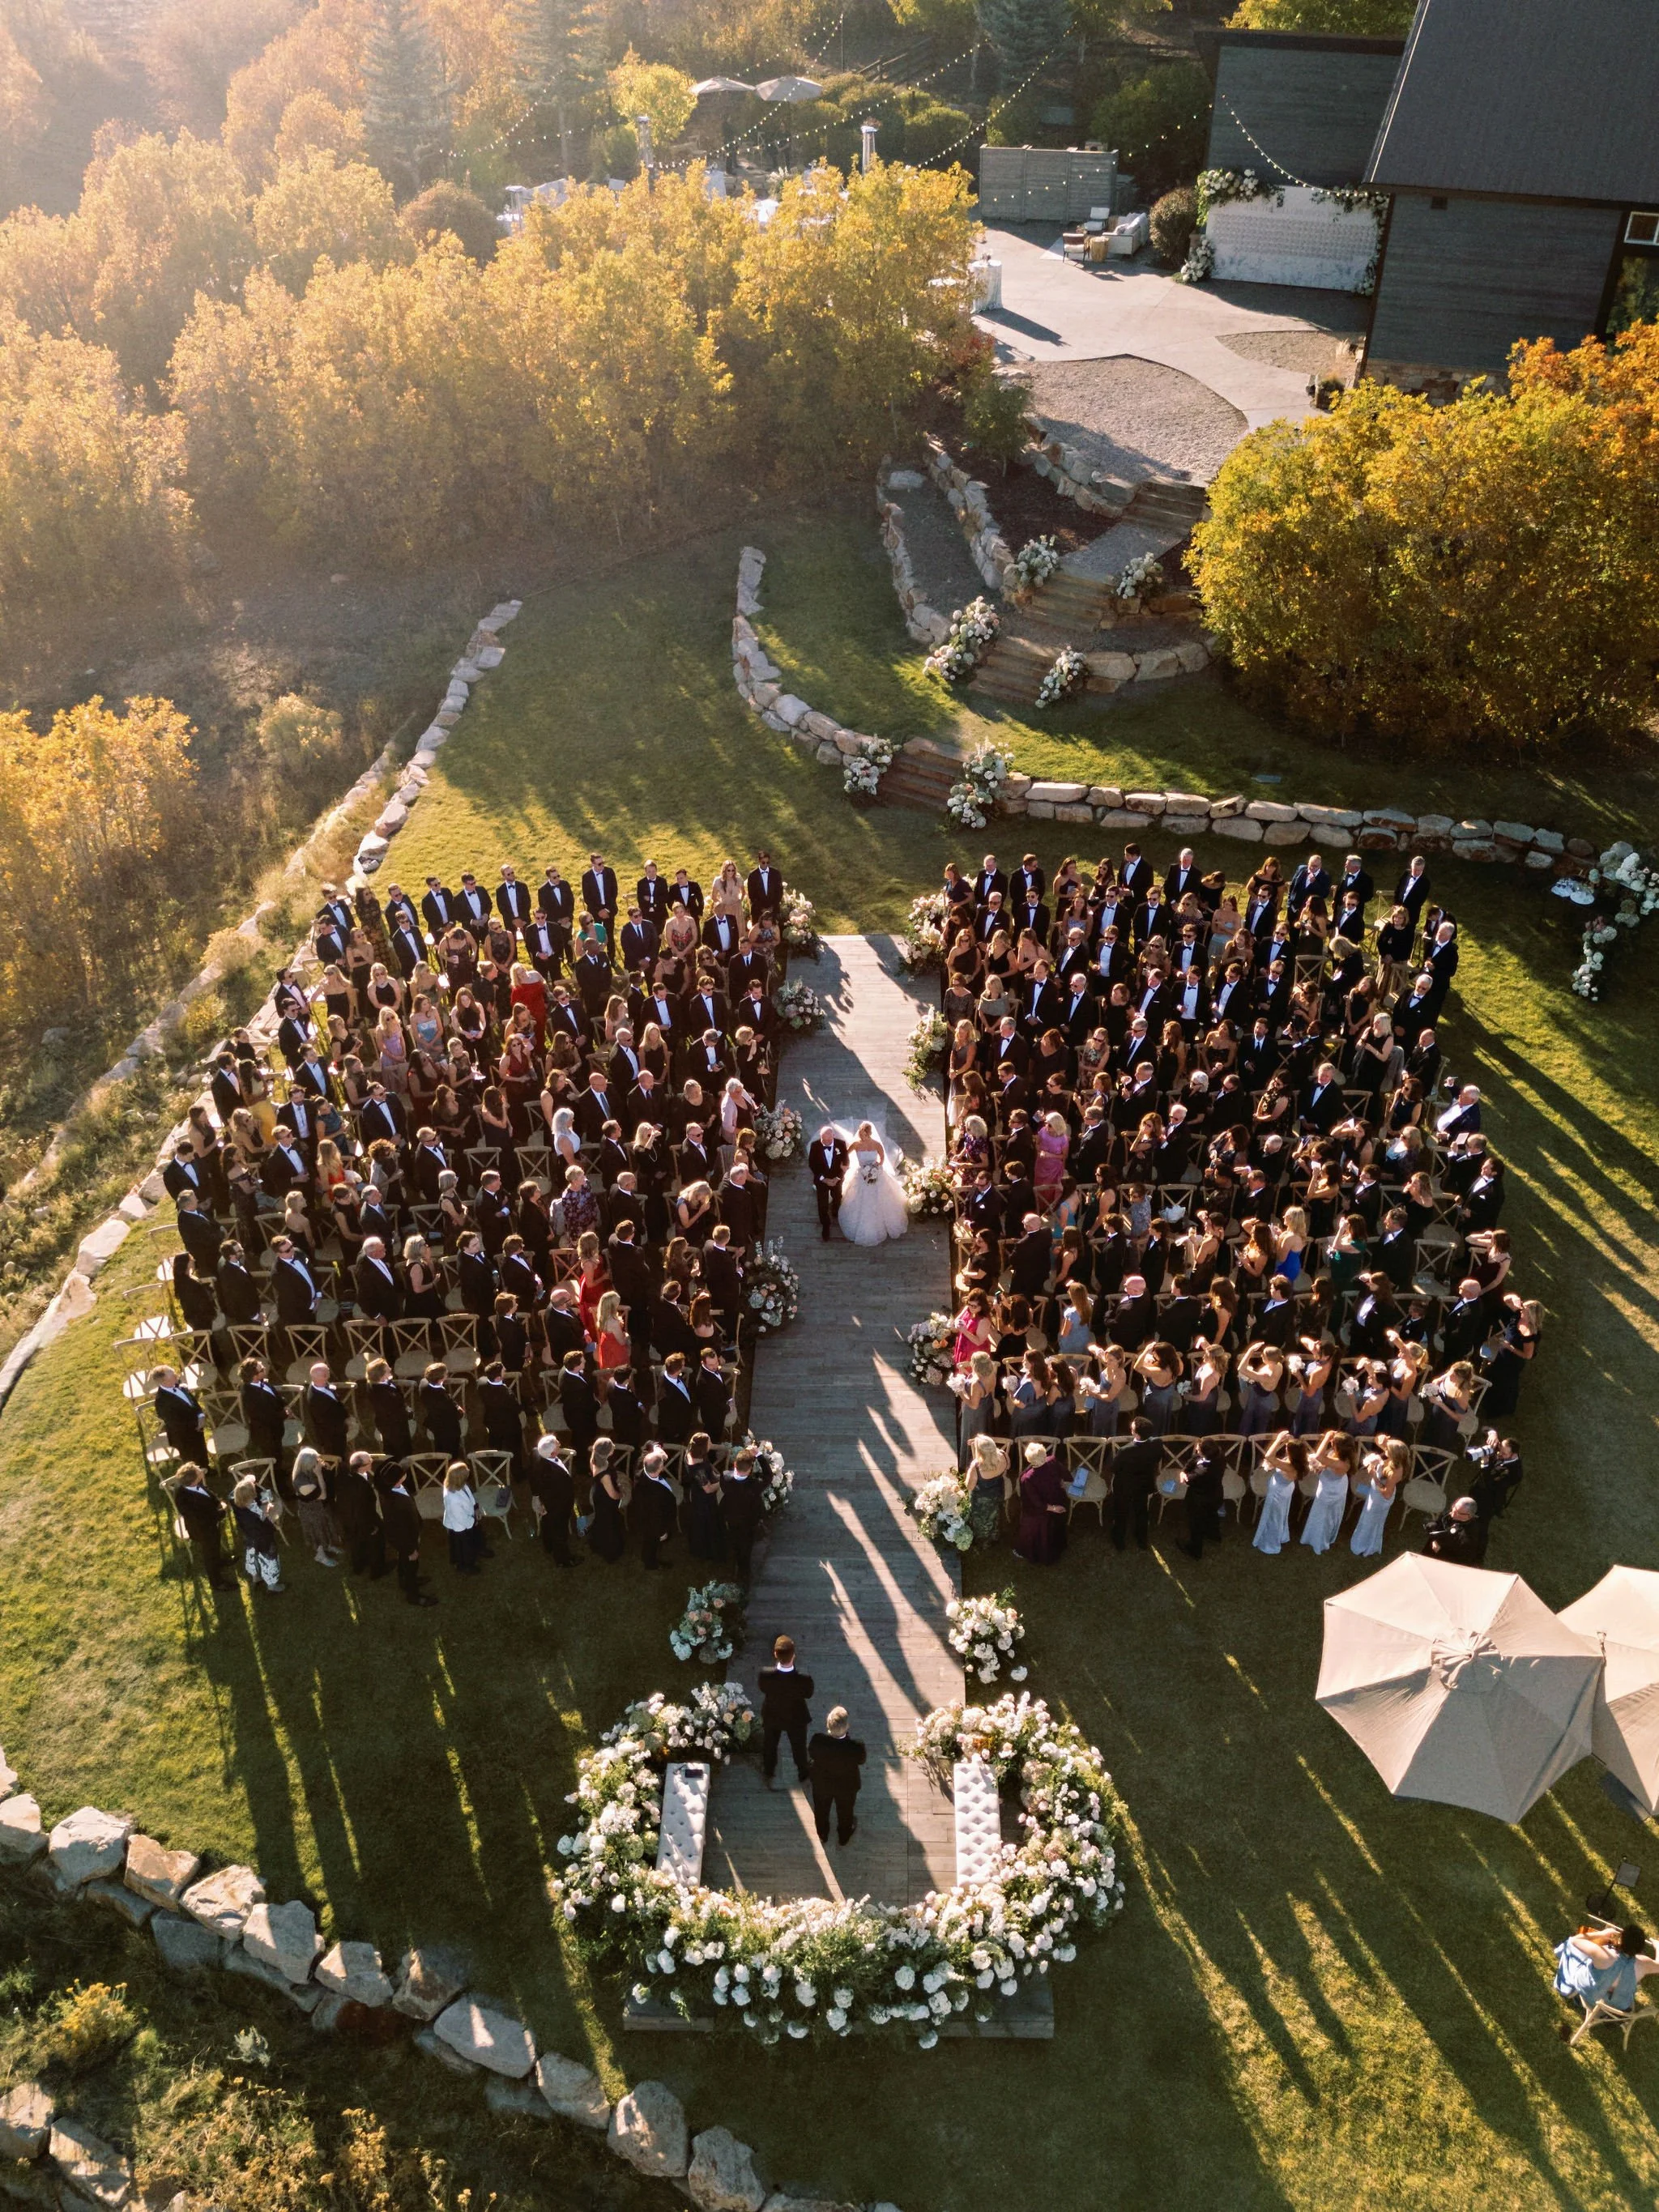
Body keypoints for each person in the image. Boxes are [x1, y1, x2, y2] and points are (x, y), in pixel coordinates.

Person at [1554, 1924, 1655, 2029]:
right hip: (1615, 2008)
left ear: (1621, 1939)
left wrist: (1602, 1934)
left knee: (1575, 1952)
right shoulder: (1644, 1964)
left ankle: (1572, 1991)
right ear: (1640, 1949)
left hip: (1589, 1996)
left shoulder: (1605, 1954)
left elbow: (1574, 1940)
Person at [838, 1121, 909, 1247]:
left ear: (869, 1134)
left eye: (863, 1134)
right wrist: (844, 1165)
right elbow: (845, 1154)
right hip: (861, 1174)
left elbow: (881, 1159)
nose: (861, 1136)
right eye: (860, 1134)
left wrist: (875, 1169)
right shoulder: (856, 1144)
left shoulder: (877, 1145)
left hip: (876, 1173)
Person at [757, 1633, 813, 1787]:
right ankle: (803, 1772)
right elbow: (809, 1694)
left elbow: (763, 1689)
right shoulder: (804, 1678)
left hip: (772, 1715)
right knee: (799, 1747)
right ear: (793, 1655)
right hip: (796, 1718)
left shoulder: (765, 1675)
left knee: (770, 1745)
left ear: (775, 1654)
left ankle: (769, 1771)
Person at [807, 1705, 866, 1848]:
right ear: (847, 1726)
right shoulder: (856, 1746)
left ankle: (823, 1834)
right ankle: (844, 1836)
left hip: (822, 1784)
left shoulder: (818, 1740)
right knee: (845, 1811)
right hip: (847, 1786)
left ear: (828, 1724)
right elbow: (861, 1761)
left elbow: (812, 1753)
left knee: (821, 1810)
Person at [172, 1464, 231, 1590]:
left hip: (210, 1525)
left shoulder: (193, 1485)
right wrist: (222, 1511)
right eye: (199, 1472)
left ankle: (219, 1562)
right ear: (193, 1481)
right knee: (209, 1554)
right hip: (202, 1530)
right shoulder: (185, 1500)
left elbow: (207, 1492)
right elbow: (205, 1518)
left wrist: (218, 1502)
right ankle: (217, 1583)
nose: (201, 1470)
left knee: (216, 1545)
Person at [1111, 1417, 1161, 1553]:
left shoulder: (1125, 1451)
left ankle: (1119, 1539)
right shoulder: (1156, 1444)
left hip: (1125, 1486)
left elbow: (1114, 1468)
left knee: (1121, 1512)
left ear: (1135, 1434)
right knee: (1141, 1511)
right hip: (1144, 1484)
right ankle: (1141, 1539)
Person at [292, 1446, 344, 1566]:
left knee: (326, 1526)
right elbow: (323, 1495)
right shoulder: (302, 1482)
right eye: (316, 1461)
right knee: (318, 1531)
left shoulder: (310, 1470)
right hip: (312, 1511)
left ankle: (329, 1545)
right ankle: (320, 1555)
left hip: (321, 1507)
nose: (319, 1462)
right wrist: (320, 1475)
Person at [232, 1473, 284, 1594]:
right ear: (253, 1495)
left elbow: (234, 1494)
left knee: (253, 1557)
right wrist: (266, 1511)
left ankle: (256, 1577)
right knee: (270, 1560)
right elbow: (261, 1519)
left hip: (250, 1539)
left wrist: (246, 1482)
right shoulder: (254, 1511)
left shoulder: (237, 1505)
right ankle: (272, 1586)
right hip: (264, 1539)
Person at [530, 1434, 578, 1565]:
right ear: (552, 1454)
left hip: (548, 1502)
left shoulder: (535, 1453)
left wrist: (538, 1498)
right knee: (560, 1532)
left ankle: (548, 1545)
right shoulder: (554, 1475)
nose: (560, 1444)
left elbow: (533, 1477)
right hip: (557, 1506)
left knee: (547, 1523)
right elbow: (553, 1492)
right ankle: (564, 1559)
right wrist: (546, 1505)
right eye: (558, 1444)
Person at [1252, 1434, 1304, 1557]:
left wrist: (1278, 1440)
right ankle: (1281, 1535)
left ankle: (1270, 1544)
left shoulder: (1288, 1466)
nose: (1285, 1449)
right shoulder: (1299, 1461)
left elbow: (1269, 1456)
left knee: (1273, 1517)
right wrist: (1287, 1441)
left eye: (1287, 1448)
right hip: (1286, 1490)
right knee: (1280, 1515)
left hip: (1278, 1493)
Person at [721, 1446, 766, 1580]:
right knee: (747, 1544)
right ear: (750, 1469)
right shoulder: (755, 1485)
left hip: (732, 1517)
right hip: (749, 1520)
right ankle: (744, 1569)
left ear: (735, 1465)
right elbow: (768, 1475)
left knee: (735, 1540)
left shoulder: (725, 1478)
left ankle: (736, 1560)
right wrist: (758, 1455)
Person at [633, 1443, 678, 1569]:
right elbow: (656, 1516)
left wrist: (656, 1447)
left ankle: (650, 1558)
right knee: (652, 1543)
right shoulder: (655, 1494)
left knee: (650, 1542)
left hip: (647, 1517)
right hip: (652, 1524)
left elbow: (648, 1444)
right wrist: (662, 1532)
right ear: (660, 1468)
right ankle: (651, 1563)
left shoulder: (640, 1468)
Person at [1181, 1438, 1226, 1560]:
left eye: (1199, 1448)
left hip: (1200, 1500)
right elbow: (1195, 1459)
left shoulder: (1202, 1472)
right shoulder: (1219, 1456)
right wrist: (1186, 1469)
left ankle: (1195, 1549)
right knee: (1212, 1516)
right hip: (1216, 1494)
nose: (1196, 1448)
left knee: (1196, 1524)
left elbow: (1188, 1480)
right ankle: (1214, 1535)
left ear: (1203, 1453)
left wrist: (1183, 1475)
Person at [807, 1126, 849, 1240]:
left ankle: (836, 1211)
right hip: (822, 1180)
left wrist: (837, 1178)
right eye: (824, 1141)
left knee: (837, 1197)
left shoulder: (841, 1144)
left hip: (836, 1179)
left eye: (829, 1140)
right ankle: (825, 1225)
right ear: (821, 1138)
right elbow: (812, 1165)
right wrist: (823, 1179)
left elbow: (845, 1162)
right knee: (822, 1204)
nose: (826, 1143)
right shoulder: (815, 1146)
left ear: (833, 1136)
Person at [1422, 1494, 1488, 1566]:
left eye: (1458, 1513)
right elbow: (1440, 1525)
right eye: (1454, 1507)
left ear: (1469, 1516)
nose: (1452, 1514)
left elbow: (1462, 1562)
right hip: (1432, 1551)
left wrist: (1440, 1551)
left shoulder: (1469, 1537)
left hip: (1444, 1562)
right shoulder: (1453, 1513)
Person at [441, 1460, 483, 1574]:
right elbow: (461, 1519)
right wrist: (474, 1521)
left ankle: (479, 1549)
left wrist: (476, 1508)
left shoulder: (460, 1484)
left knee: (474, 1539)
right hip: (460, 1528)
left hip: (468, 1519)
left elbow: (469, 1495)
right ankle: (465, 1566)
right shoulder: (452, 1499)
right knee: (464, 1549)